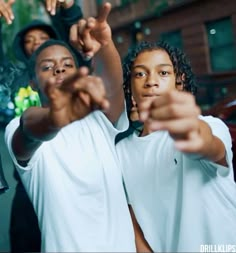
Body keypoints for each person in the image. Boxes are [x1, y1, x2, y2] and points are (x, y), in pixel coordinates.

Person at [4, 3, 136, 251]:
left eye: (67, 63)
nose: (59, 68)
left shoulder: (100, 120)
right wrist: (54, 118)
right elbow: (29, 127)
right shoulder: (19, 126)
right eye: (46, 66)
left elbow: (114, 85)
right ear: (32, 82)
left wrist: (104, 45)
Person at [116, 41, 236, 252]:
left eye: (163, 73)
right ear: (128, 87)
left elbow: (207, 144)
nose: (151, 81)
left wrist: (191, 131)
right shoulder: (120, 151)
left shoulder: (211, 125)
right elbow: (133, 226)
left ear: (178, 83)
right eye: (140, 74)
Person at [0, 0, 84, 251]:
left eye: (43, 37)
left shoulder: (72, 79)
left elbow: (82, 50)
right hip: (27, 186)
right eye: (29, 39)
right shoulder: (13, 80)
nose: (37, 42)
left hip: (73, 184)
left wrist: (69, 9)